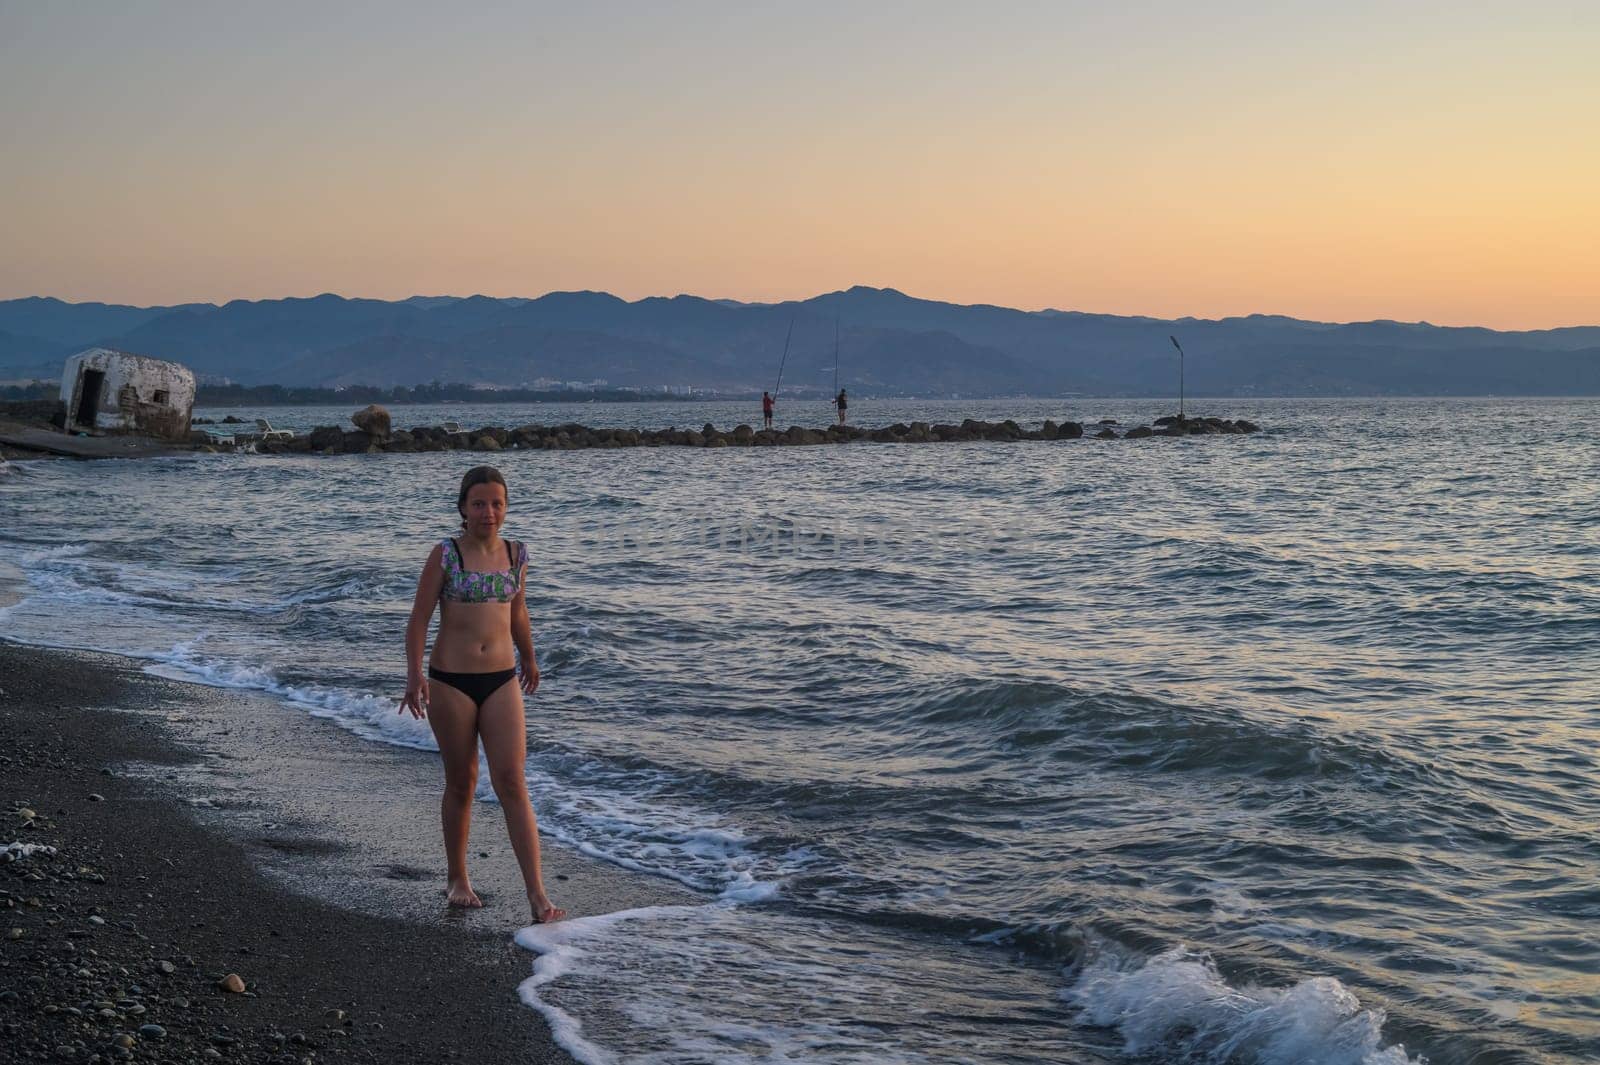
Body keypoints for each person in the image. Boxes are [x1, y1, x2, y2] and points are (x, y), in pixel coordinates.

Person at [400, 466, 565, 924]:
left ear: (506, 508)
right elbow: (417, 621)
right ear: (463, 508)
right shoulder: (445, 554)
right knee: (463, 781)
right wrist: (415, 677)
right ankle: (458, 877)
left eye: (496, 503)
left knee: (512, 780)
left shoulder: (517, 554)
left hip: (501, 679)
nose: (487, 512)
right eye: (478, 503)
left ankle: (537, 895)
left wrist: (529, 657)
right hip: (451, 681)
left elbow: (518, 611)